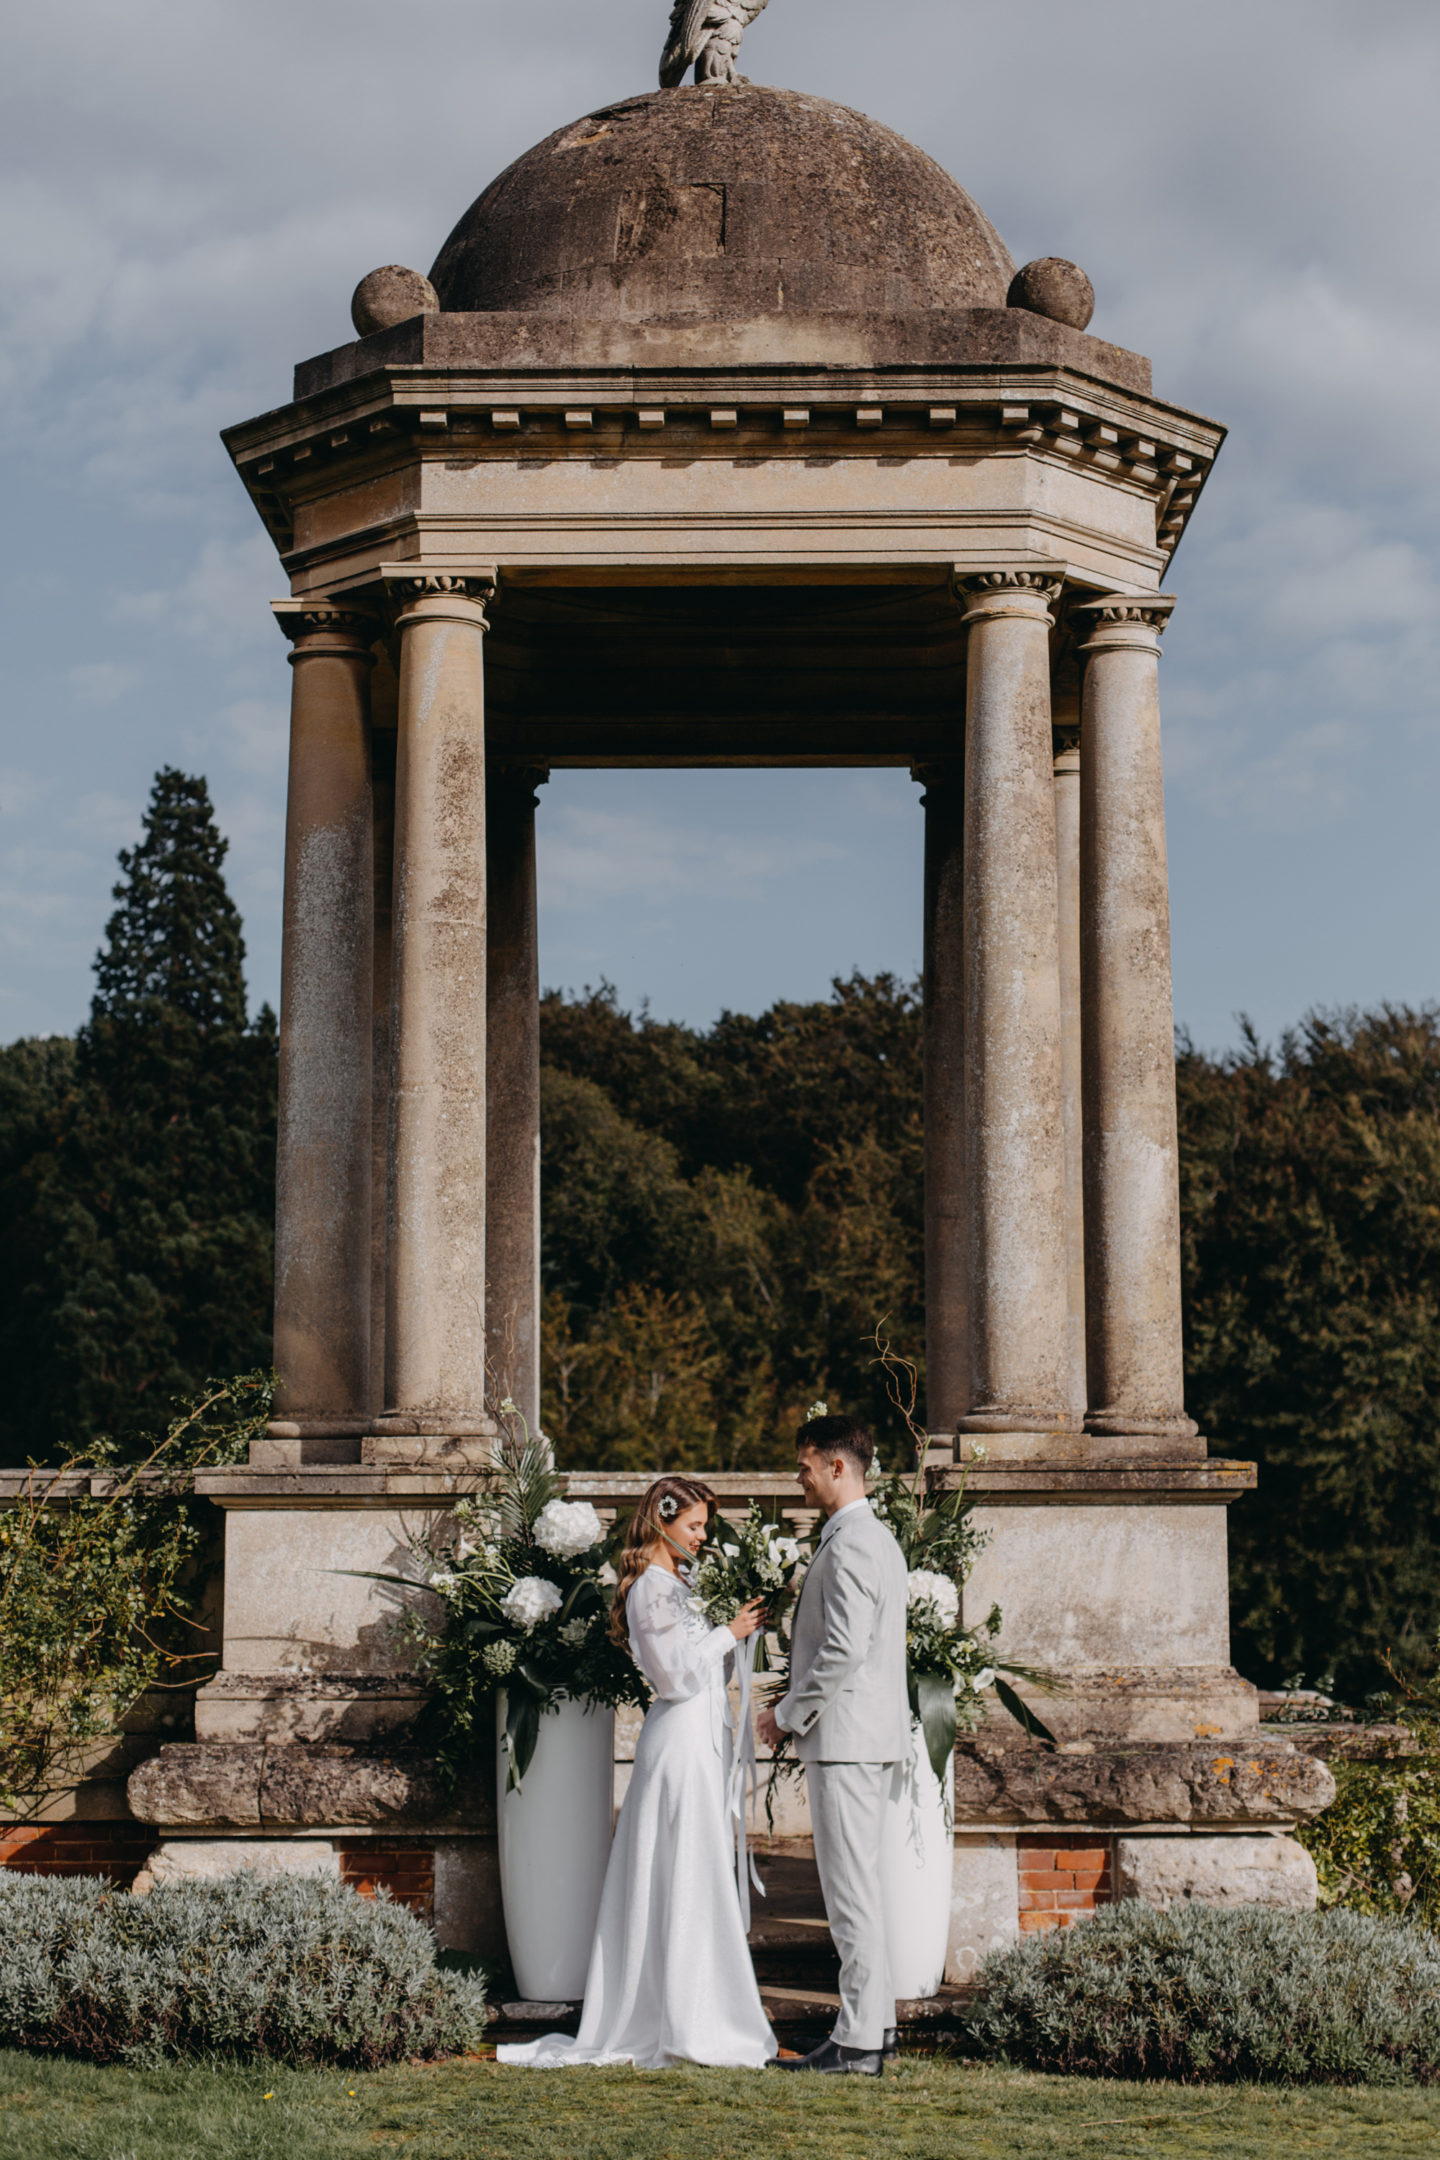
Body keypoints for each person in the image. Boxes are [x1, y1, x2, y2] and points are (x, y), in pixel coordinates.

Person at [498, 1475, 777, 2070]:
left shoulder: (681, 1583)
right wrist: (727, 1632)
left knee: (696, 1874)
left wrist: (732, 1631)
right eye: (695, 1525)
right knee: (679, 1872)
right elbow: (675, 1680)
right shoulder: (650, 1590)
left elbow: (706, 1673)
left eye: (706, 1526)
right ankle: (674, 2019)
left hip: (700, 1741)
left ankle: (701, 2009)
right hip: (676, 1746)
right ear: (663, 1521)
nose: (704, 1537)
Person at [757, 1413, 909, 2078]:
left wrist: (787, 1714)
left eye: (806, 1464)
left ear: (838, 1466)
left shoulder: (850, 1543)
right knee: (863, 1895)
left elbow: (844, 1649)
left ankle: (856, 2044)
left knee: (850, 1898)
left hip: (846, 1742)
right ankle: (873, 2030)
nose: (800, 1477)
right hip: (865, 1740)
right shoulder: (875, 1538)